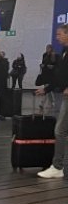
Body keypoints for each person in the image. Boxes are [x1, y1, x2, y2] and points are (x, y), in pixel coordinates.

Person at [36, 25, 68, 179]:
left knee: (60, 130)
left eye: (59, 34)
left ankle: (57, 166)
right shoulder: (64, 52)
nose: (57, 37)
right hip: (64, 94)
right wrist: (47, 88)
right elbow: (60, 75)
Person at [38, 44, 58, 113]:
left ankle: (42, 103)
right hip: (45, 73)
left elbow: (55, 65)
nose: (47, 49)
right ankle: (52, 102)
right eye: (47, 48)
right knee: (48, 90)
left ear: (51, 49)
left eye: (49, 48)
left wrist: (52, 66)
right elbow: (43, 63)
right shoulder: (44, 55)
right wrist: (41, 65)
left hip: (51, 75)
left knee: (46, 89)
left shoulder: (54, 55)